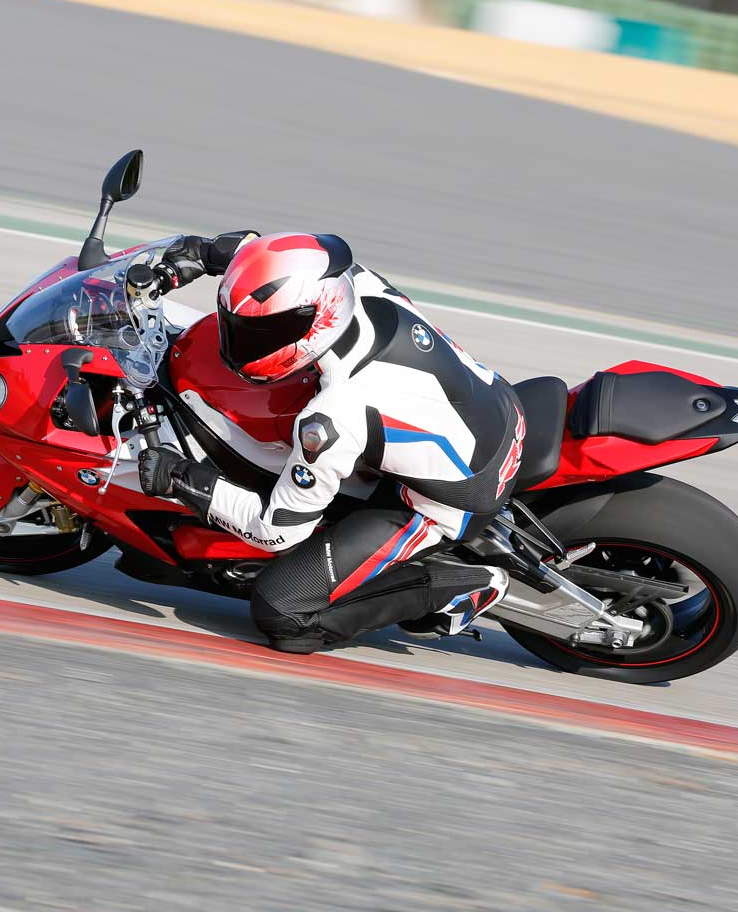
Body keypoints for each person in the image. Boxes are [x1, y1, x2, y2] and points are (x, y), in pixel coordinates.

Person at [137, 231, 525, 654]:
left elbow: (277, 531)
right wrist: (204, 252)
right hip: (497, 402)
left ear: (315, 321)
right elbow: (273, 257)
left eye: (260, 333)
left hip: (453, 498)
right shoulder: (352, 281)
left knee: (283, 611)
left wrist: (183, 479)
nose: (242, 342)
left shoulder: (334, 415)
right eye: (238, 327)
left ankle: (462, 586)